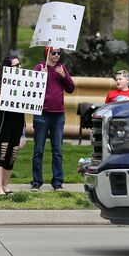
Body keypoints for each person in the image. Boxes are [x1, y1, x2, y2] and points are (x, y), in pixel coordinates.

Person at [31, 47, 75, 192]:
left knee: (57, 150)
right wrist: (40, 77)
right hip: (41, 114)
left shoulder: (62, 68)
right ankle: (36, 182)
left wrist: (64, 76)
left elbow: (70, 88)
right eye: (53, 53)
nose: (56, 55)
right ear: (47, 54)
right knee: (38, 149)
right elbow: (31, 88)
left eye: (58, 53)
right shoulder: (39, 67)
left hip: (58, 115)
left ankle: (57, 182)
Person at [0, 56, 26, 195]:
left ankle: (5, 186)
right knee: (1, 153)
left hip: (17, 122)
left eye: (19, 64)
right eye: (15, 65)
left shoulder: (24, 82)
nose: (18, 67)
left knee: (12, 154)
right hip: (2, 122)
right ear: (7, 68)